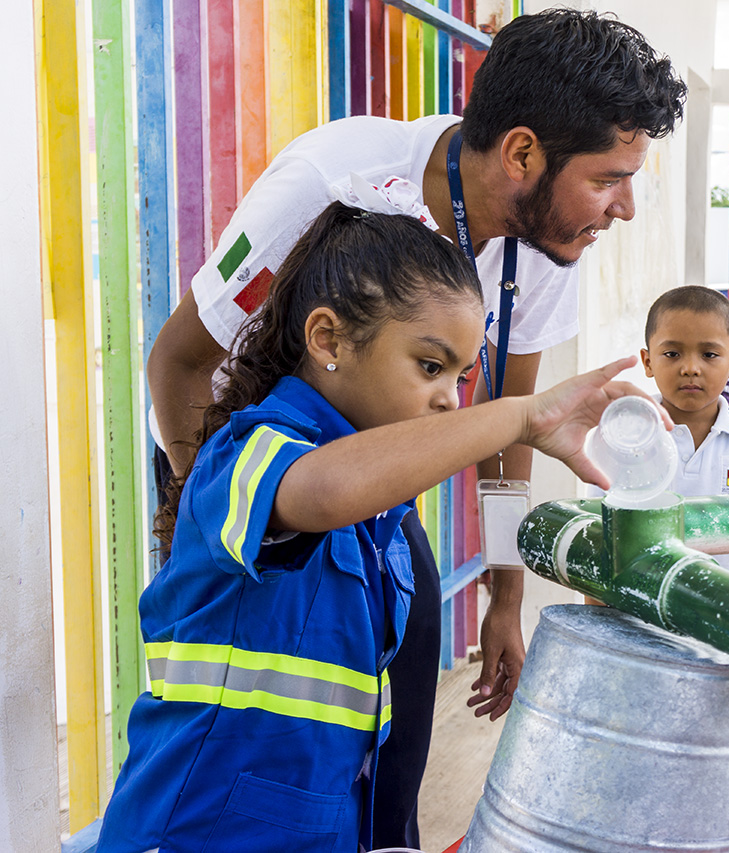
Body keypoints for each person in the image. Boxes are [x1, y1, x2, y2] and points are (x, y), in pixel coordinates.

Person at [144, 9, 687, 846]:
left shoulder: (544, 247)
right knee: (247, 700)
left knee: (385, 678)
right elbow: (179, 364)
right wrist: (206, 526)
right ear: (522, 154)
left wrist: (507, 597)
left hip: (375, 480)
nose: (625, 208)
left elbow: (513, 437)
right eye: (611, 177)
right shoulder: (331, 178)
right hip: (242, 461)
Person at [98, 200, 661, 852]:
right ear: (329, 339)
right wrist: (516, 416)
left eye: (463, 373)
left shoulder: (386, 515)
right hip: (197, 830)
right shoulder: (245, 453)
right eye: (430, 365)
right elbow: (327, 486)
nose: (451, 397)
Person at [635, 286, 729, 586]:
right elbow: (599, 538)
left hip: (724, 621)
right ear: (648, 361)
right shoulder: (629, 437)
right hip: (640, 620)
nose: (690, 368)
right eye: (672, 353)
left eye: (709, 354)